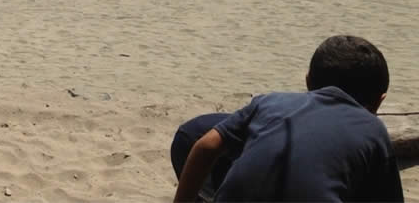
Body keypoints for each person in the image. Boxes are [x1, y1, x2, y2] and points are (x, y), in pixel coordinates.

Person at [171, 35, 402, 203]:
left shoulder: (270, 102)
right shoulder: (373, 130)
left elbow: (205, 146)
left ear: (308, 81)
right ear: (380, 101)